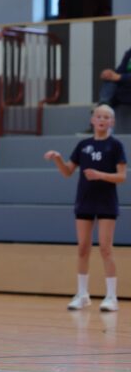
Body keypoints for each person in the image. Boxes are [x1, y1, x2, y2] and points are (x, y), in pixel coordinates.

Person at [44, 104, 125, 312]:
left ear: (112, 122)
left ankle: (111, 297)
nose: (102, 120)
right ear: (92, 120)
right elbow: (67, 172)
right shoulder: (83, 145)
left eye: (106, 117)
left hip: (106, 202)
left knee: (105, 248)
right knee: (82, 248)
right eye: (99, 116)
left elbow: (121, 177)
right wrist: (58, 158)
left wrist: (100, 175)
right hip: (85, 200)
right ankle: (82, 295)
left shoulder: (115, 146)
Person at [98, 43, 131, 109]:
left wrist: (120, 77)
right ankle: (104, 105)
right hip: (125, 86)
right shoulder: (129, 53)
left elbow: (119, 76)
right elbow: (119, 71)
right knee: (109, 78)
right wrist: (109, 74)